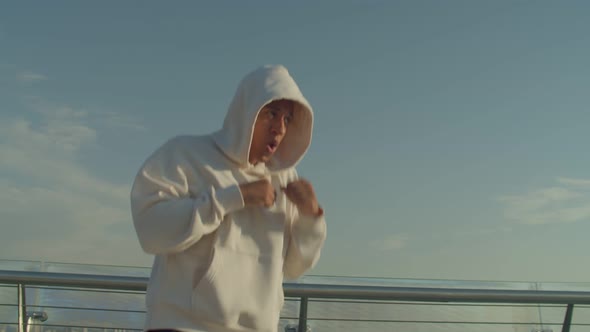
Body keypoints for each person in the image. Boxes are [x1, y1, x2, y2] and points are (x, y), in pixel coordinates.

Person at [130, 64, 327, 332]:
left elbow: (294, 267)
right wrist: (233, 197)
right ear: (247, 111)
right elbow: (151, 230)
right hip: (181, 326)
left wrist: (310, 217)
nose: (280, 128)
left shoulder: (285, 180)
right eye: (271, 113)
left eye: (288, 119)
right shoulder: (187, 155)